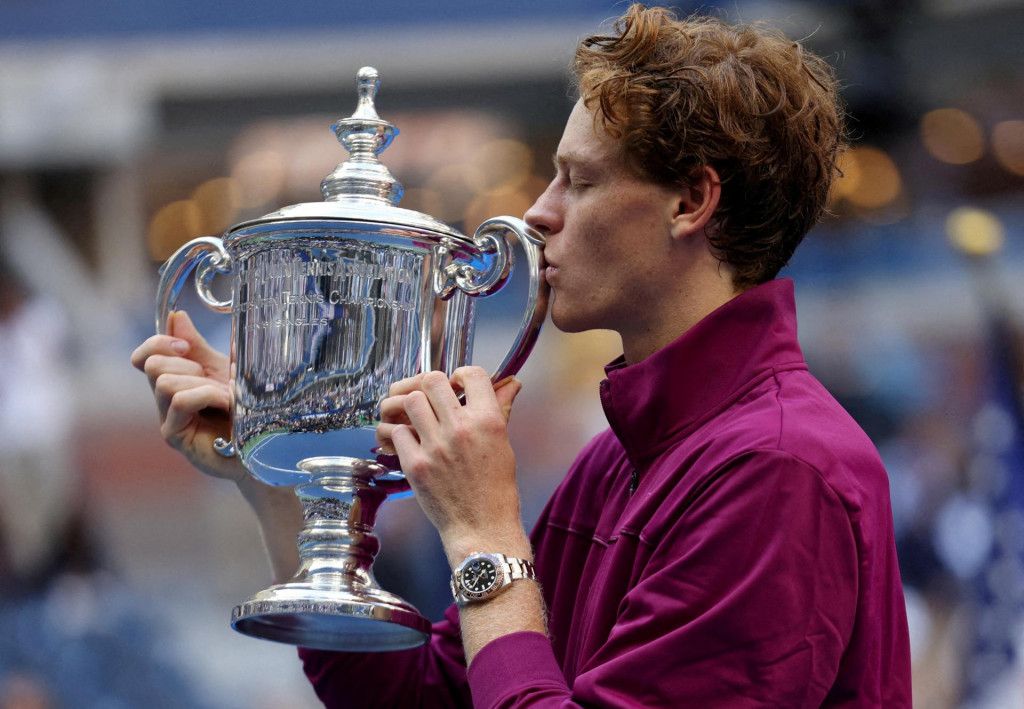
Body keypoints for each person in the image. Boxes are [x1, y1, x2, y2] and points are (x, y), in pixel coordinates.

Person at [131, 4, 912, 707]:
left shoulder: (778, 469)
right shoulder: (617, 463)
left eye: (579, 180)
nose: (538, 212)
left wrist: (484, 536)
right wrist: (280, 473)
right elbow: (418, 696)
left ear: (690, 202)